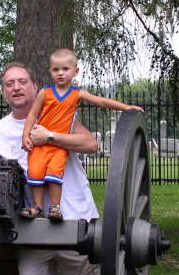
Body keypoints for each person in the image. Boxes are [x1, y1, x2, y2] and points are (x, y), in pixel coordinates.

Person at [0, 62, 100, 275]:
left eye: (22, 82)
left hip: (73, 218)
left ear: (35, 87)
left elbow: (91, 144)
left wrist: (50, 136)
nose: (16, 87)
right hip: (30, 226)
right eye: (9, 84)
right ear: (4, 92)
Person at [21, 49, 144, 221]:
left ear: (75, 71)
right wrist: (25, 136)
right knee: (35, 172)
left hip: (58, 145)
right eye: (56, 70)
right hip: (40, 145)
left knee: (55, 174)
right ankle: (37, 206)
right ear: (50, 71)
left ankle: (55, 208)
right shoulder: (45, 92)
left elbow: (100, 101)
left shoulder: (76, 94)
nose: (61, 73)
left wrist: (125, 107)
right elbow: (33, 114)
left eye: (65, 69)